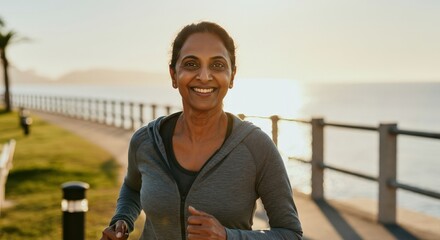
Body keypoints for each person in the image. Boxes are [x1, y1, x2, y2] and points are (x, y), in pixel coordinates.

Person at [101, 21, 303, 240]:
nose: (204, 76)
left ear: (232, 76)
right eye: (191, 64)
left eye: (217, 65)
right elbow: (132, 188)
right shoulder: (145, 141)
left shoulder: (257, 148)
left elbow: (290, 233)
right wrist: (122, 220)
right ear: (173, 75)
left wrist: (228, 237)